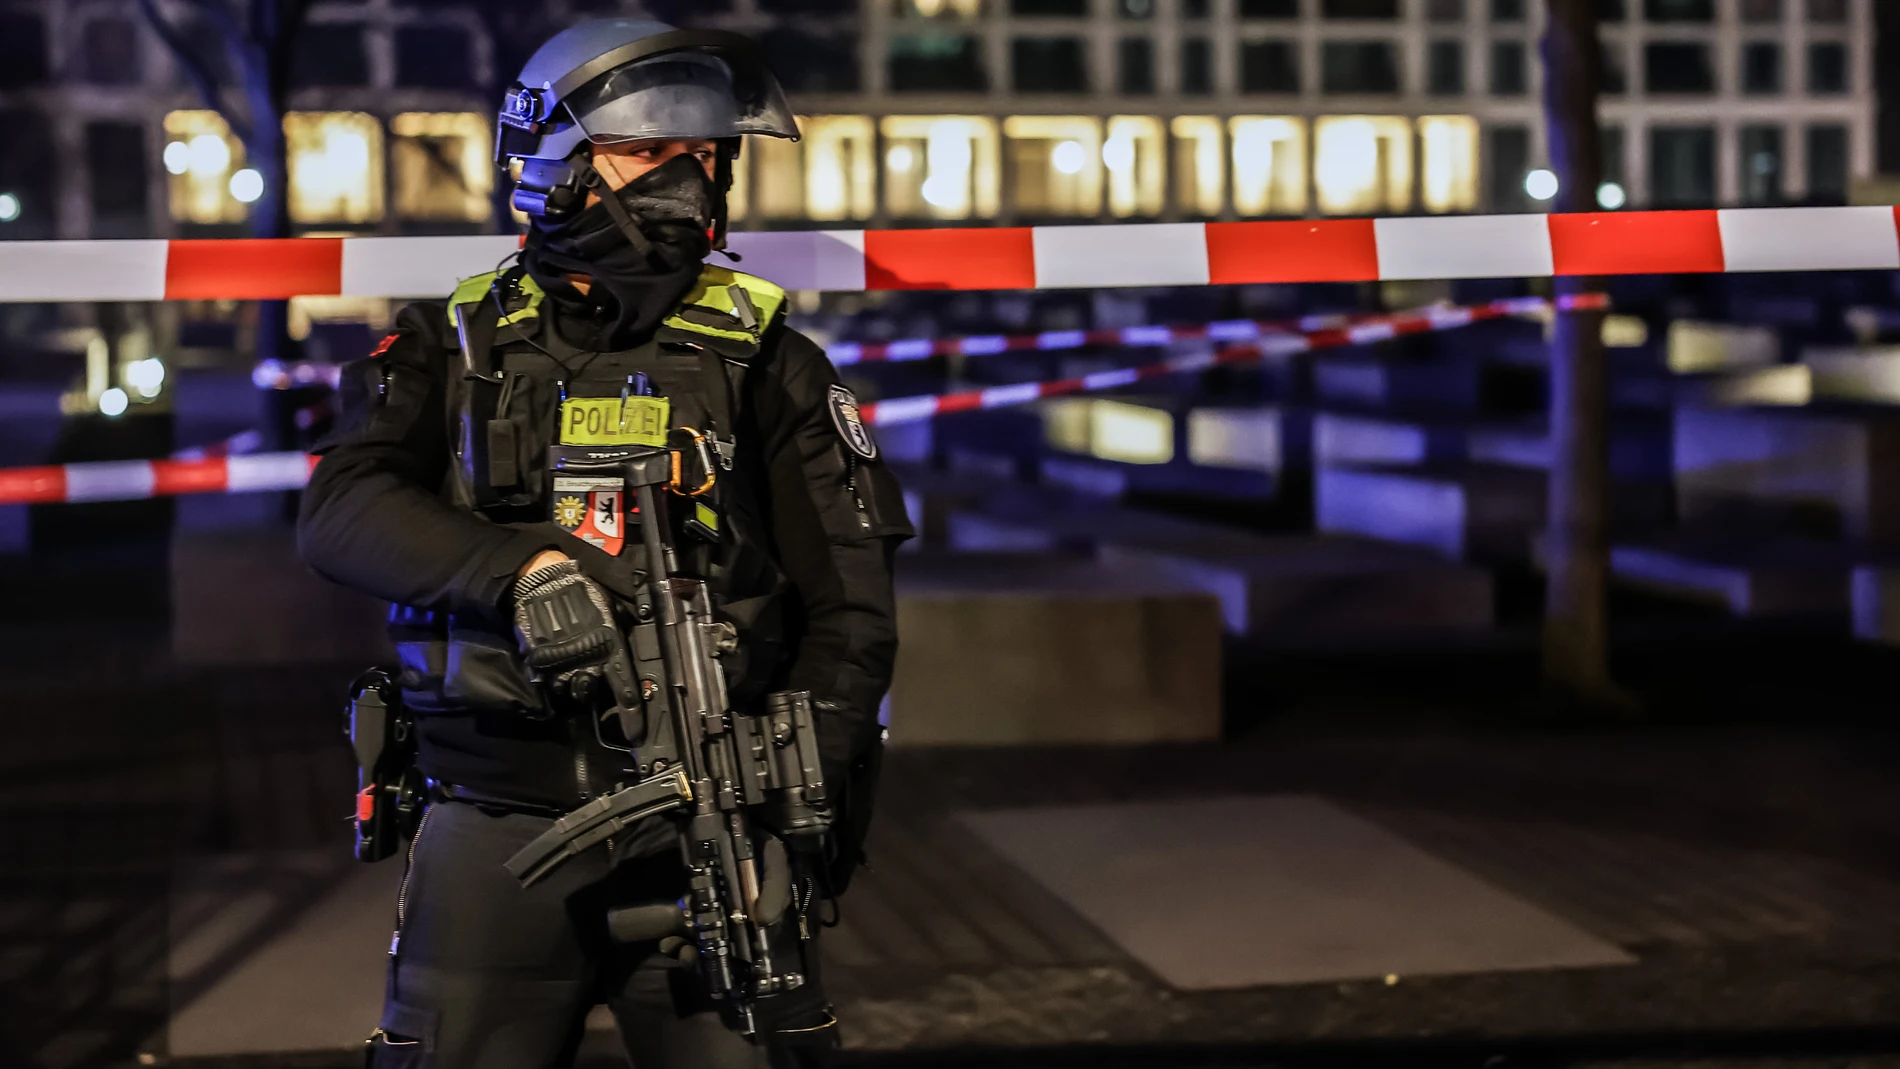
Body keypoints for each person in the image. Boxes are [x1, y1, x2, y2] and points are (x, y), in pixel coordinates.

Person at [296, 17, 911, 1068]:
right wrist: (521, 573)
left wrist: (797, 791)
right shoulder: (450, 345)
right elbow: (340, 508)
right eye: (646, 152)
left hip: (715, 826)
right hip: (497, 824)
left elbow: (850, 613)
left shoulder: (769, 362)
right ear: (556, 165)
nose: (686, 181)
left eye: (704, 155)